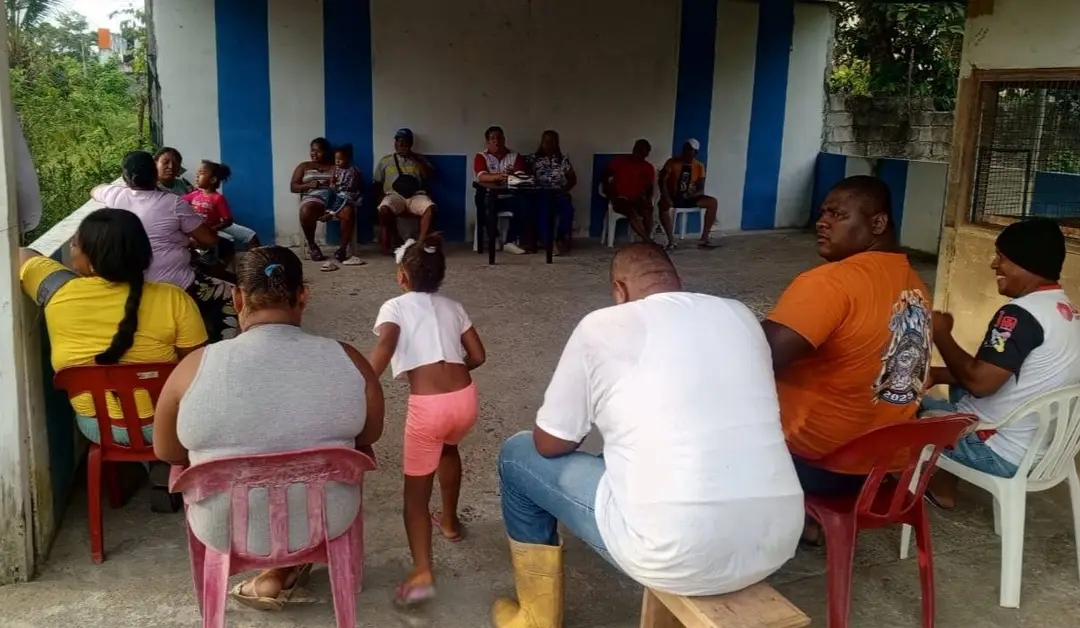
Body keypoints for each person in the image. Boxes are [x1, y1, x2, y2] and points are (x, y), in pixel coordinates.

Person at [492, 243, 803, 626]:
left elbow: (550, 443)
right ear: (677, 284)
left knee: (517, 456)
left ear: (619, 291)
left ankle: (534, 618)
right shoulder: (740, 315)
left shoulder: (601, 326)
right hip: (776, 540)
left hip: (672, 553)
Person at [152, 245, 385, 611]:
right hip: (326, 520)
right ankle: (285, 570)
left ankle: (272, 575)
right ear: (303, 296)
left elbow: (167, 452)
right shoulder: (350, 360)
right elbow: (369, 437)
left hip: (223, 526)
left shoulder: (193, 368)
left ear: (237, 297)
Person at [762, 175, 931, 542]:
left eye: (838, 215)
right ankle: (806, 520)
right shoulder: (915, 285)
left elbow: (759, 357)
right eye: (823, 213)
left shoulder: (831, 282)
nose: (822, 222)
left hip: (821, 463)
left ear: (878, 224)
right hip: (883, 467)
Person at [922, 218, 1080, 507]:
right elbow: (1001, 375)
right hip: (1045, 452)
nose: (995, 265)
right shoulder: (1067, 312)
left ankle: (879, 483)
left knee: (907, 409)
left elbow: (980, 384)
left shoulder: (1020, 315)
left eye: (1002, 257)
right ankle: (943, 488)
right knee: (960, 387)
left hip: (997, 451)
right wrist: (937, 374)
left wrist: (940, 334)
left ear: (1026, 262)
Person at [19, 208, 207, 446]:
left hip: (101, 428)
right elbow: (196, 367)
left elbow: (20, 254)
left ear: (91, 259)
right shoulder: (173, 298)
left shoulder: (58, 292)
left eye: (75, 244)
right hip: (168, 425)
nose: (71, 250)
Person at [367, 233, 486, 606]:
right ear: (440, 275)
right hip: (465, 399)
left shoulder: (394, 307)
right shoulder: (454, 306)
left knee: (415, 500)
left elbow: (386, 344)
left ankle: (422, 572)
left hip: (429, 407)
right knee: (449, 448)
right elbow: (478, 356)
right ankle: (449, 523)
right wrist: (452, 374)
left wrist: (364, 380)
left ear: (402, 276)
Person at [92, 151, 239, 342]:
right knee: (233, 294)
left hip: (131, 282)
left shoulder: (115, 195)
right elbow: (209, 239)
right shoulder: (173, 203)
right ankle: (217, 347)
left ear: (126, 178)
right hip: (176, 282)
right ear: (154, 172)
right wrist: (188, 239)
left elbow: (95, 190)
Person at [290, 137, 358, 266]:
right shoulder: (304, 166)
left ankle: (342, 249)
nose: (314, 154)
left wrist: (335, 184)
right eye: (312, 150)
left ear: (326, 152)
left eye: (318, 151)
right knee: (306, 210)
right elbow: (293, 187)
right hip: (314, 199)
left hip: (335, 198)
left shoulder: (336, 166)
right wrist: (309, 185)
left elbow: (348, 180)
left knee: (348, 211)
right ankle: (312, 246)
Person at [182, 160, 261, 268]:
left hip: (213, 230)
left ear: (213, 180)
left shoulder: (218, 198)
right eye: (197, 173)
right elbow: (178, 201)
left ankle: (255, 267)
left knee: (248, 236)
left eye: (201, 173)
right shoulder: (195, 194)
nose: (197, 176)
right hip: (200, 231)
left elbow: (228, 220)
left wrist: (213, 229)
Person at [373, 128, 436, 255]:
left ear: (410, 143)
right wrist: (378, 200)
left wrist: (414, 158)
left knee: (430, 208)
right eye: (397, 141)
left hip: (415, 195)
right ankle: (395, 238)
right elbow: (377, 182)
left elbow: (430, 175)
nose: (400, 144)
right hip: (394, 195)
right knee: (384, 209)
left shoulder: (419, 158)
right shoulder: (386, 160)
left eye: (404, 141)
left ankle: (420, 243)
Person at [474, 126, 529, 255]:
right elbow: (482, 176)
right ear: (487, 142)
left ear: (504, 139)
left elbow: (519, 176)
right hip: (489, 197)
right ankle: (495, 237)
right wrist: (500, 176)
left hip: (509, 197)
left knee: (525, 203)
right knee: (483, 202)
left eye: (499, 138)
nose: (496, 141)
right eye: (492, 139)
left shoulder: (515, 156)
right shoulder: (481, 156)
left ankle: (509, 241)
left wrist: (503, 176)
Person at [658, 139, 719, 249]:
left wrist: (692, 195)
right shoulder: (672, 162)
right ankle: (671, 240)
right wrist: (666, 196)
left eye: (690, 149)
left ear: (695, 153)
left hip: (690, 197)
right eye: (685, 148)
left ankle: (704, 238)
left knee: (712, 202)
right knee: (663, 205)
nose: (686, 151)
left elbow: (701, 187)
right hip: (673, 196)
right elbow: (662, 181)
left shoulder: (699, 166)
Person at [526, 130, 577, 255]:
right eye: (547, 141)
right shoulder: (533, 159)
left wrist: (564, 190)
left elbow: (572, 179)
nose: (549, 144)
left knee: (568, 210)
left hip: (557, 192)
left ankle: (559, 238)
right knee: (544, 209)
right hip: (540, 193)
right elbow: (526, 177)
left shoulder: (562, 159)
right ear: (542, 142)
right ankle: (549, 241)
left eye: (553, 141)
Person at [603, 139, 657, 243]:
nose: (640, 153)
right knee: (631, 212)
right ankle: (648, 241)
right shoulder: (620, 161)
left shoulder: (648, 167)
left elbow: (649, 187)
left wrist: (648, 200)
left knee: (647, 211)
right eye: (639, 150)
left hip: (637, 198)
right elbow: (606, 177)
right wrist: (612, 194)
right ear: (634, 149)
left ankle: (646, 239)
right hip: (620, 198)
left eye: (644, 152)